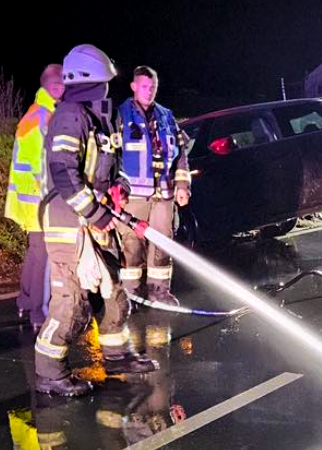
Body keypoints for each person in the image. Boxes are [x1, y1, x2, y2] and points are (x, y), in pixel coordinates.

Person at [35, 44, 157, 397]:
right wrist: (95, 212)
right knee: (73, 303)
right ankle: (49, 373)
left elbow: (110, 167)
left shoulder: (101, 117)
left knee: (115, 292)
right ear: (90, 81)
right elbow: (63, 172)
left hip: (94, 218)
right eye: (104, 82)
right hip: (68, 221)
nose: (108, 89)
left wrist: (118, 188)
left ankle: (117, 356)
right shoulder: (70, 115)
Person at [117, 66, 191, 306]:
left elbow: (181, 154)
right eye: (144, 87)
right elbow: (110, 155)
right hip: (132, 198)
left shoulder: (167, 116)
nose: (149, 92)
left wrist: (182, 184)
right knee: (131, 245)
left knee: (162, 244)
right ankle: (131, 294)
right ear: (134, 87)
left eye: (153, 87)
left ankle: (159, 292)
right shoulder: (120, 115)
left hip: (164, 195)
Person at [4, 64, 64, 329]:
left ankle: (24, 302)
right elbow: (43, 164)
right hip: (39, 201)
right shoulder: (44, 116)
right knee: (43, 256)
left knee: (34, 254)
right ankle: (38, 311)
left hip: (29, 200)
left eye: (63, 84)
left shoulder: (36, 112)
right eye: (57, 85)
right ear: (46, 85)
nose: (61, 88)